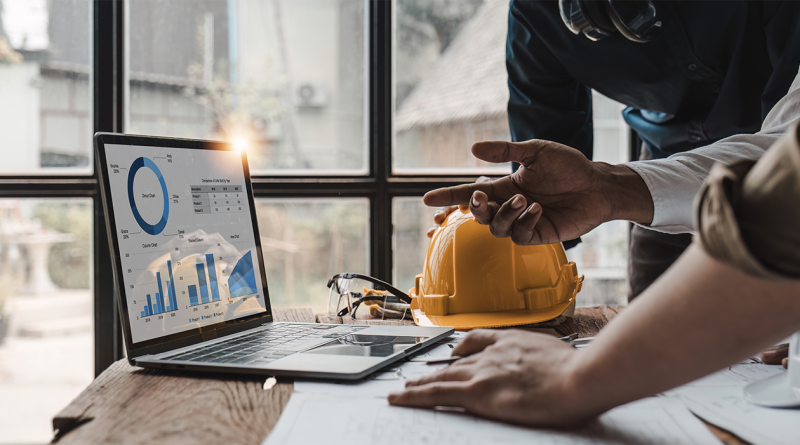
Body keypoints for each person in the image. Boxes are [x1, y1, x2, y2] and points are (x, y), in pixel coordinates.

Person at [386, 60, 800, 426]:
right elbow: (782, 150)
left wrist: (581, 378)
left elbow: (784, 200)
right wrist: (606, 189)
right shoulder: (537, 18)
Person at [490, 0, 800, 301]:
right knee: (647, 326)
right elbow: (546, 184)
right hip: (662, 164)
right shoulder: (535, 13)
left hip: (779, 160)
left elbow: (788, 142)